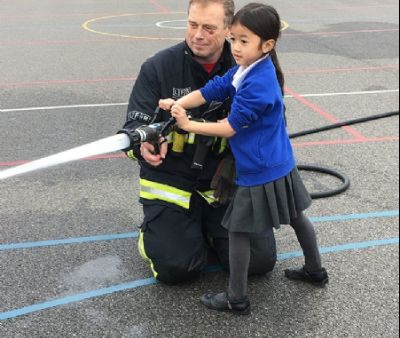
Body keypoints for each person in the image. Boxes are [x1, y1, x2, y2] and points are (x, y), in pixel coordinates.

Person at [160, 3, 329, 313]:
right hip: (279, 161)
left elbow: (229, 128)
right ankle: (315, 271)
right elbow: (214, 89)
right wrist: (178, 102)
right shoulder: (248, 69)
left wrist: (187, 124)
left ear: (267, 45)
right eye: (233, 39)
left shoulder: (258, 83)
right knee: (295, 217)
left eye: (244, 40)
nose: (235, 47)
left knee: (238, 231)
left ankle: (236, 298)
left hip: (259, 169)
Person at [123, 0, 277, 285]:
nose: (197, 34)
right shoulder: (158, 67)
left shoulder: (248, 70)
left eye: (209, 28)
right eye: (192, 24)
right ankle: (154, 231)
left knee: (258, 262)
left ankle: (207, 225)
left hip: (224, 182)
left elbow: (268, 128)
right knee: (176, 269)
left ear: (230, 30)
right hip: (171, 182)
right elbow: (133, 128)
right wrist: (143, 146)